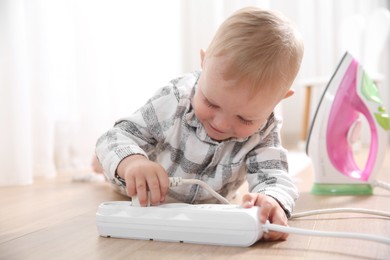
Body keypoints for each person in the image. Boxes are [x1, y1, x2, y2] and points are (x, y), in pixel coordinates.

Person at [95, 6, 304, 241]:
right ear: (204, 62)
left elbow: (273, 173)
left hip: (205, 207)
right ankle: (101, 164)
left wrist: (272, 200)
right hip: (140, 187)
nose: (222, 124)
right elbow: (113, 137)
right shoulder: (174, 99)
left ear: (279, 99)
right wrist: (132, 161)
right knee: (110, 158)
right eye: (211, 103)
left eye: (245, 119)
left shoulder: (265, 126)